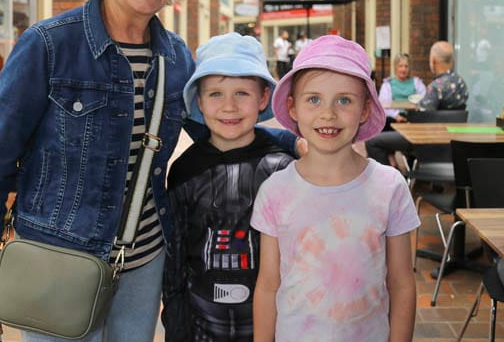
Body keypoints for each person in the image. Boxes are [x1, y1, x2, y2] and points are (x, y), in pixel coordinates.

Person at [0, 0, 196, 342]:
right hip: (57, 264)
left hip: (144, 264)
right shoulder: (48, 46)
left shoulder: (177, 58)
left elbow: (222, 131)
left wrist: (294, 142)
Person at [251, 34, 420, 342]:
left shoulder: (390, 187)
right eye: (313, 99)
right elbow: (268, 285)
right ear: (293, 107)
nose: (328, 113)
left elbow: (402, 284)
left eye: (344, 100)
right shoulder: (275, 191)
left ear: (365, 109)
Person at [161, 32, 299, 342]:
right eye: (215, 94)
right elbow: (175, 259)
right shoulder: (186, 170)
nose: (229, 106)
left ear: (263, 98)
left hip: (274, 325)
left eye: (242, 93)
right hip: (201, 327)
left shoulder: (283, 169)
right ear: (198, 100)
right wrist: (177, 325)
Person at [364, 40, 469, 165]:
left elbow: (421, 119)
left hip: (426, 139)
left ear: (433, 61)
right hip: (452, 140)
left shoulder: (435, 88)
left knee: (372, 142)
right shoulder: (461, 83)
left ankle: (389, 175)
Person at [378, 53, 426, 129]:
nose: (403, 69)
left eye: (406, 66)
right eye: (400, 66)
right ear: (395, 67)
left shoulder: (417, 83)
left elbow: (424, 100)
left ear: (409, 68)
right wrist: (396, 115)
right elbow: (383, 105)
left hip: (413, 116)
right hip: (393, 117)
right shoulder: (387, 84)